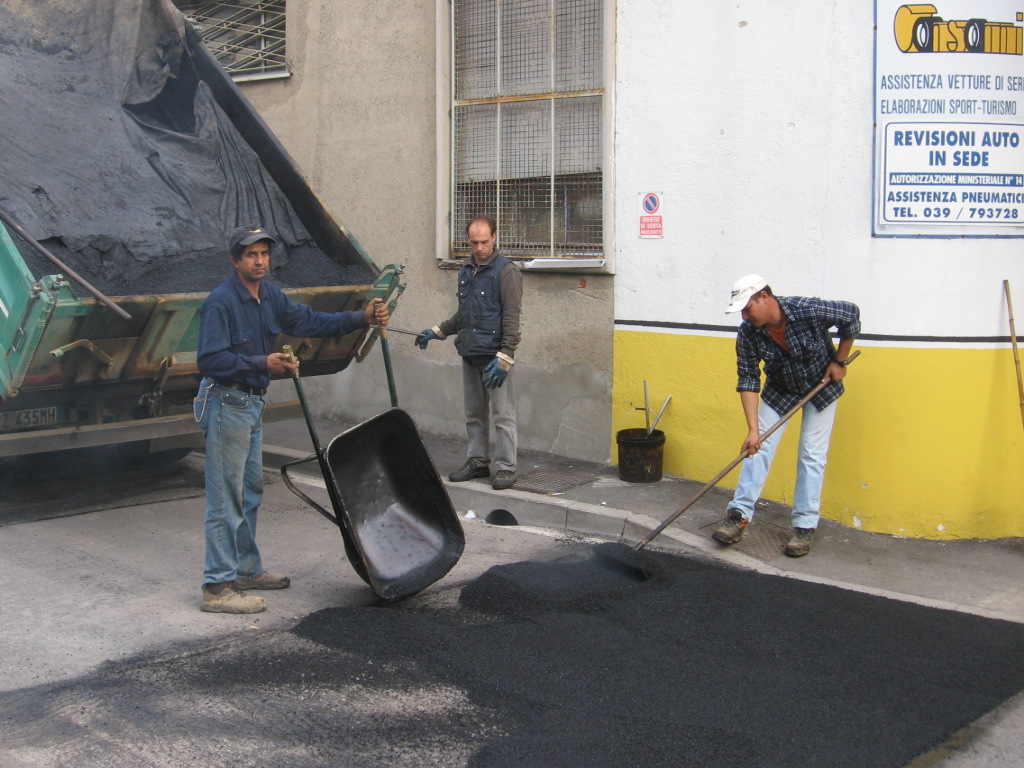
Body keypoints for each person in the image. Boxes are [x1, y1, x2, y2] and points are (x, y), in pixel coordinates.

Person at [195, 225, 389, 613]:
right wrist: (260, 362)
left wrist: (361, 317)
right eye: (251, 255)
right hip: (225, 403)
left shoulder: (270, 296)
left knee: (250, 493)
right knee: (226, 498)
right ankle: (217, 587)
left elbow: (310, 321)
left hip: (250, 404)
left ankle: (247, 568)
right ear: (236, 261)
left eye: (264, 253)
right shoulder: (220, 302)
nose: (260, 260)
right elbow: (210, 359)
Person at [713, 274, 860, 557]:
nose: (744, 316)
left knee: (811, 454)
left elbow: (851, 315)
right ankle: (738, 516)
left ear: (764, 297)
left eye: (747, 308)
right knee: (757, 450)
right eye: (740, 310)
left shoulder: (806, 309)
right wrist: (753, 430)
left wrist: (839, 361)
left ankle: (804, 527)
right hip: (781, 390)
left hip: (821, 387)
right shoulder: (748, 332)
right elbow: (748, 378)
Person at [415, 215, 523, 491]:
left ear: (495, 238)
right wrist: (437, 331)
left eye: (484, 242)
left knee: (503, 414)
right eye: (474, 242)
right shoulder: (466, 271)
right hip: (470, 352)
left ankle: (507, 468)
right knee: (474, 413)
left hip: (495, 358)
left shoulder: (506, 271)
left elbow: (512, 318)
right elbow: (464, 314)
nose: (479, 247)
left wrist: (506, 357)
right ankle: (477, 462)